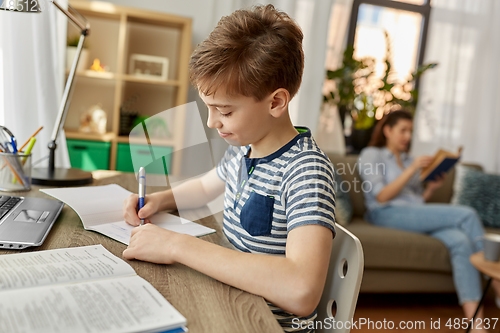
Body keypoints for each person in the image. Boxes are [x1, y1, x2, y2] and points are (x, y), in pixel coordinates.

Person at [122, 5, 336, 332]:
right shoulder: (246, 146)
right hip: (228, 300)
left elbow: (302, 290)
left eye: (224, 110)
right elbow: (207, 186)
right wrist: (160, 199)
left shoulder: (305, 170)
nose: (212, 122)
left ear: (276, 102)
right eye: (209, 107)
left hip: (260, 322)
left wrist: (176, 245)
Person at [358, 110, 499, 330]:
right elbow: (381, 195)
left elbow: (416, 200)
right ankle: (498, 282)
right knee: (467, 214)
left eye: (410, 131)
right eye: (402, 130)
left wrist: (431, 189)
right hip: (386, 213)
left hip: (415, 214)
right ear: (387, 130)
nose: (407, 135)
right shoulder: (371, 155)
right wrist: (413, 168)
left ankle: (477, 324)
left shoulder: (406, 158)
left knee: (460, 242)